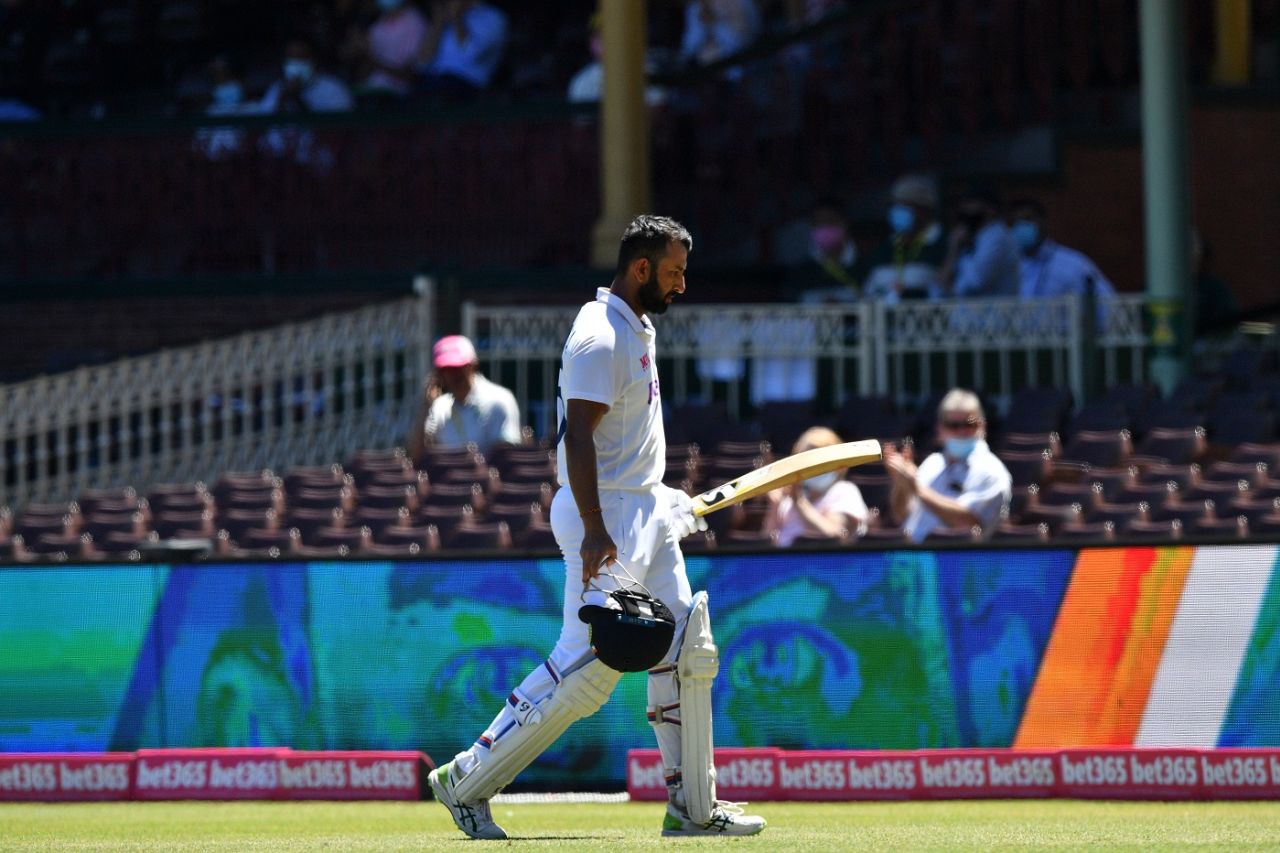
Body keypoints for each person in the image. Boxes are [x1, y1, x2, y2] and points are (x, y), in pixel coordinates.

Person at [427, 215, 766, 840]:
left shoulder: (635, 325)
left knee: (687, 650)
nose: (682, 285)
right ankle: (466, 780)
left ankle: (692, 809)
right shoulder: (597, 335)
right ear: (641, 268)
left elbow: (624, 442)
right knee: (585, 670)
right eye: (673, 272)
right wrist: (597, 529)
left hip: (637, 506)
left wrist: (662, 500)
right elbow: (577, 436)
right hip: (603, 515)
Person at [883, 388, 1011, 542]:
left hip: (959, 562)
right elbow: (901, 515)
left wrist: (916, 487)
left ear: (982, 426)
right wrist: (902, 483)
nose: (962, 431)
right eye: (953, 425)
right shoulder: (932, 463)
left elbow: (968, 523)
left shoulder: (992, 471)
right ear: (940, 430)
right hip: (911, 558)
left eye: (969, 424)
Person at [406, 334, 522, 461]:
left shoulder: (499, 400)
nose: (453, 374)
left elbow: (508, 454)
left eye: (458, 367)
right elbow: (415, 456)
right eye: (446, 369)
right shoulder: (439, 407)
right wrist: (426, 406)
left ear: (473, 365)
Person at [765, 426, 869, 546]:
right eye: (808, 461)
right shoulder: (787, 500)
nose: (815, 468)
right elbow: (767, 545)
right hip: (785, 563)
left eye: (820, 461)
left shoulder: (845, 491)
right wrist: (774, 505)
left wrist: (799, 502)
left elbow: (835, 535)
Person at [860, 174, 948, 303]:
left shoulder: (945, 244)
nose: (897, 211)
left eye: (905, 206)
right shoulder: (883, 249)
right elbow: (868, 295)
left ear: (925, 209)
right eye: (895, 206)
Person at [1010, 197, 1117, 303]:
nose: (1022, 227)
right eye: (1016, 222)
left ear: (1044, 223)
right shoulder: (1010, 265)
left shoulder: (1073, 264)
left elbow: (1107, 302)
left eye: (1028, 219)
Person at [416, 0, 509, 102]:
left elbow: (470, 56)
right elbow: (421, 64)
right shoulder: (443, 18)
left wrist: (456, 17)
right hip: (431, 82)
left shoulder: (493, 17)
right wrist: (438, 21)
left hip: (467, 86)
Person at [940, 183, 1020, 298]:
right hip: (964, 313)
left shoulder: (998, 237)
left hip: (992, 314)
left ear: (991, 209)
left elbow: (975, 282)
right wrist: (954, 249)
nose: (964, 209)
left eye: (970, 203)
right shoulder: (972, 237)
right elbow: (940, 287)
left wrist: (966, 250)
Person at [344, 0, 430, 99]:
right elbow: (363, 71)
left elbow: (410, 75)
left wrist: (371, 59)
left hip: (397, 98)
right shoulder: (377, 23)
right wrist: (359, 52)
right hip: (369, 91)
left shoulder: (415, 22)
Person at [794, 196, 860, 304]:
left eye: (830, 221)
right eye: (818, 222)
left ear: (845, 224)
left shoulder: (865, 266)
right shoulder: (800, 271)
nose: (824, 227)